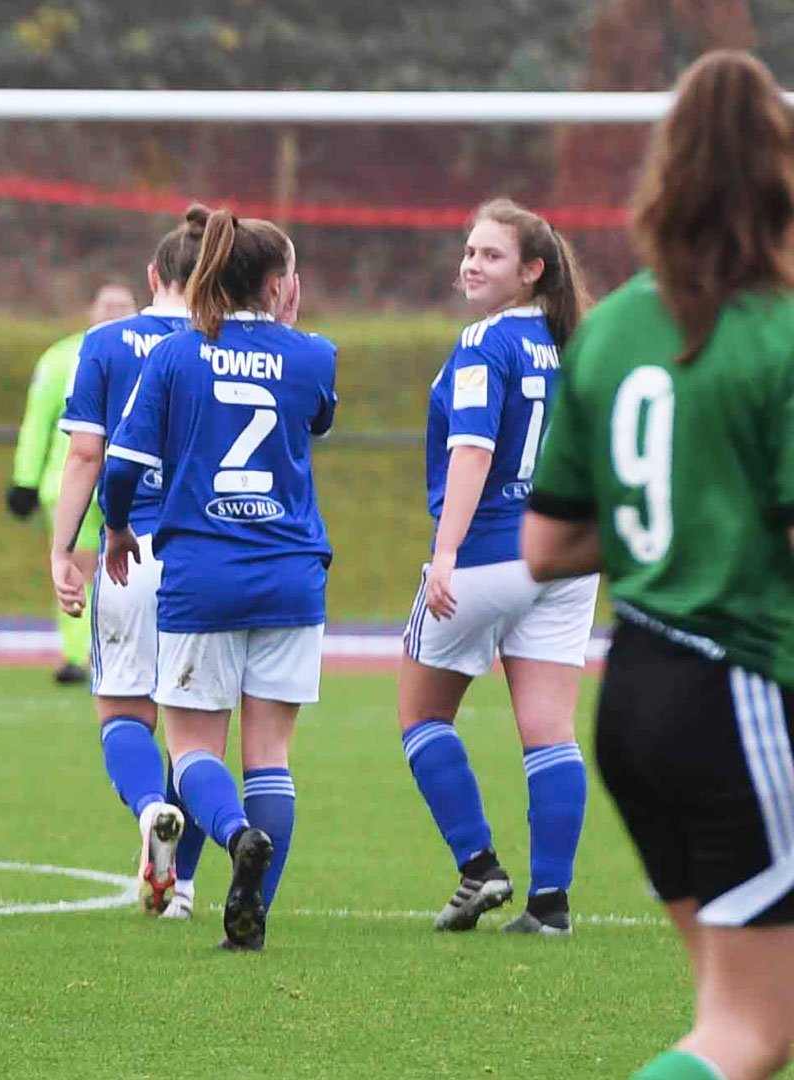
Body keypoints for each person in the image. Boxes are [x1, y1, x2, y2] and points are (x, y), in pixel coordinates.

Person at [523, 50, 794, 1080]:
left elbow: (547, 544)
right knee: (750, 1033)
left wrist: (671, 525)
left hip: (635, 692)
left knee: (732, 1017)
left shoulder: (611, 330)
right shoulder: (779, 330)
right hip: (738, 688)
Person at [100, 208, 336, 951]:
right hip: (292, 573)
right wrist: (286, 328)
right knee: (271, 755)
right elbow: (315, 420)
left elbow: (121, 467)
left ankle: (234, 836)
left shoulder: (174, 355)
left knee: (195, 748)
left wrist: (115, 527)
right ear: (278, 285)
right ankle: (251, 913)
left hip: (204, 571)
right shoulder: (314, 355)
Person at [398, 199, 597, 936]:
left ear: (532, 271)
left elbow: (473, 450)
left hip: (488, 551)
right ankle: (551, 905)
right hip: (568, 553)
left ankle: (479, 867)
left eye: (489, 255)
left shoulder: (486, 341)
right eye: (469, 251)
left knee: (420, 715)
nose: (470, 265)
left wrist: (445, 552)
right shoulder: (576, 341)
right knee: (549, 729)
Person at [51, 208, 205, 916]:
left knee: (123, 714)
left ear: (152, 275)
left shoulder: (107, 343)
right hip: (212, 558)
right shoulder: (227, 345)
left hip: (132, 550)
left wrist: (63, 548)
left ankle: (148, 808)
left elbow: (86, 453)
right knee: (198, 730)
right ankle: (183, 889)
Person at [12, 281, 139, 684]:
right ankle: (76, 655)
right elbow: (38, 421)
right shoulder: (62, 358)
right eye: (107, 305)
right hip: (71, 479)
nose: (114, 312)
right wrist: (25, 479)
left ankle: (119, 650)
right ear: (91, 310)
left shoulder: (154, 351)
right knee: (76, 566)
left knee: (129, 569)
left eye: (123, 305)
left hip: (135, 479)